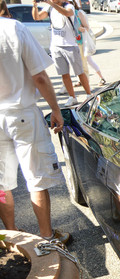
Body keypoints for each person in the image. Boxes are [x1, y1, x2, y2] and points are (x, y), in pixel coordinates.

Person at [0, 3, 70, 244]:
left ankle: (12, 236)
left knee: (2, 182)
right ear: (3, 8)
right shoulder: (14, 28)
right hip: (22, 113)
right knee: (36, 178)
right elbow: (39, 76)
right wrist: (55, 109)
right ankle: (47, 237)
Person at [32, 0, 92, 107]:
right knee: (64, 73)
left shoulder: (69, 6)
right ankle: (72, 97)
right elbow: (37, 17)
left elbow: (67, 13)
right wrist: (35, 5)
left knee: (79, 72)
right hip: (56, 46)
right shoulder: (49, 8)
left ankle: (89, 95)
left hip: (70, 45)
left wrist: (51, 4)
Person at [72, 0, 106, 87]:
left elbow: (87, 27)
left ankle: (101, 78)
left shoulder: (79, 13)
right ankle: (81, 80)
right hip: (74, 42)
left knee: (88, 60)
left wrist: (81, 29)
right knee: (78, 62)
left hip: (82, 41)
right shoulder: (68, 15)